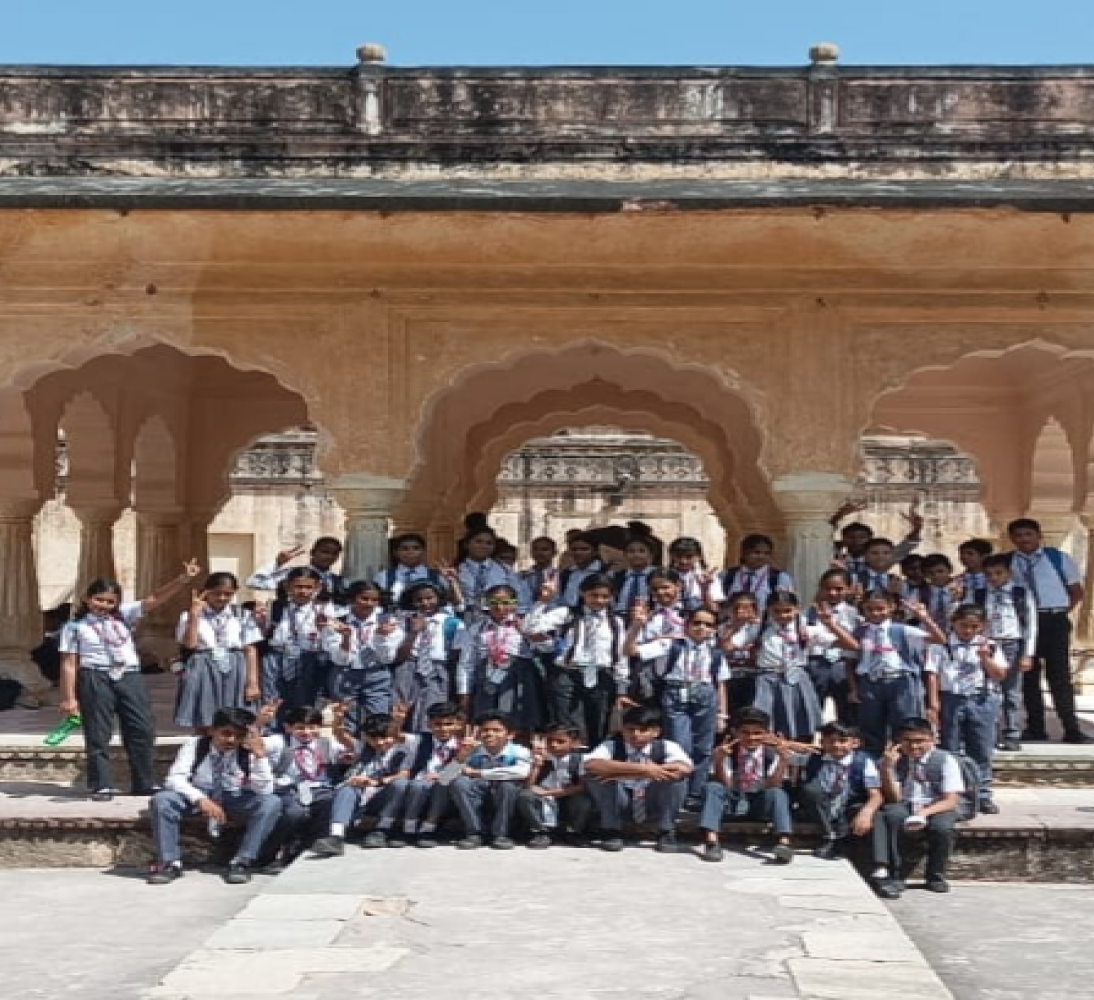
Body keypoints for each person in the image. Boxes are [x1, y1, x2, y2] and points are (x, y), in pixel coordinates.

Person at [58, 560, 201, 802]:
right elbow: (69, 664)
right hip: (96, 676)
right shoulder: (74, 627)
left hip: (128, 675)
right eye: (99, 599)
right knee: (98, 732)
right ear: (86, 598)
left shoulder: (123, 616)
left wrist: (182, 580)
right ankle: (100, 784)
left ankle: (143, 781)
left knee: (141, 728)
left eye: (110, 601)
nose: (104, 605)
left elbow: (154, 598)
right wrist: (69, 698)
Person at [147, 707, 281, 885]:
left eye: (238, 735)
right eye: (225, 733)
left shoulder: (248, 750)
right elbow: (174, 778)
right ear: (212, 731)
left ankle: (242, 861)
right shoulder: (195, 745)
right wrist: (200, 799)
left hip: (235, 796)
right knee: (162, 800)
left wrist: (259, 757)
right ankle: (170, 862)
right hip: (200, 793)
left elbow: (264, 790)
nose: (231, 740)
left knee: (271, 802)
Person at [625, 605, 728, 808]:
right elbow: (631, 650)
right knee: (679, 744)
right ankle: (676, 789)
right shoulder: (670, 645)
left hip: (705, 695)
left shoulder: (715, 653)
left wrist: (722, 713)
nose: (702, 628)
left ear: (714, 629)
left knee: (703, 747)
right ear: (687, 624)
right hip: (676, 692)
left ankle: (695, 794)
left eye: (708, 625)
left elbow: (720, 683)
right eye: (696, 623)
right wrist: (636, 627)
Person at [1006, 518, 1090, 744]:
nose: (1024, 539)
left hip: (1053, 620)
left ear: (1038, 535)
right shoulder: (1008, 562)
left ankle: (1071, 728)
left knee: (1059, 677)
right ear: (1012, 539)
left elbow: (1076, 591)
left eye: (1028, 534)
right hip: (1023, 623)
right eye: (1019, 535)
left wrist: (1059, 612)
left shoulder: (1057, 558)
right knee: (1028, 678)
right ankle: (1035, 727)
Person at [524, 573, 628, 747]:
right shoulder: (567, 614)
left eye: (605, 597)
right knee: (565, 720)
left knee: (598, 720)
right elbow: (529, 628)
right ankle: (567, 759)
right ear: (582, 593)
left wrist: (621, 686)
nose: (599, 601)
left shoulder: (615, 622)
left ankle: (594, 758)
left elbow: (620, 654)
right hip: (567, 673)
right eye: (594, 595)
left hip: (600, 674)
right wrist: (543, 601)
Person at [924, 605, 1007, 815]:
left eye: (974, 627)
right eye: (963, 625)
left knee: (981, 749)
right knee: (950, 748)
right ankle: (954, 794)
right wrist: (934, 703)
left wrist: (985, 658)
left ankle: (983, 795)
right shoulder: (941, 645)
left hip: (981, 699)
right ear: (954, 622)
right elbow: (932, 675)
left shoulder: (991, 646)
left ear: (982, 626)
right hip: (951, 698)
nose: (968, 631)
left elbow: (999, 675)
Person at [750, 591, 858, 742]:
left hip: (797, 680)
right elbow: (727, 646)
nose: (782, 615)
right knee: (768, 724)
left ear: (797, 609)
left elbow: (852, 645)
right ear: (768, 610)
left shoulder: (805, 630)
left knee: (802, 724)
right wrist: (738, 625)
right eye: (776, 611)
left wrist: (830, 624)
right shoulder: (759, 630)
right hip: (768, 681)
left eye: (787, 610)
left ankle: (801, 761)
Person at [584, 705, 693, 853]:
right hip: (621, 802)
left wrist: (619, 772)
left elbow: (684, 768)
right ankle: (611, 830)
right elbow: (591, 765)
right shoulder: (611, 746)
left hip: (653, 802)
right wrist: (644, 770)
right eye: (630, 729)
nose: (635, 735)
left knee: (676, 778)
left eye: (642, 730)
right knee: (596, 776)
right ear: (622, 730)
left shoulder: (667, 746)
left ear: (655, 732)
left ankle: (666, 831)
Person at [876, 717, 965, 898]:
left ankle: (936, 875)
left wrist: (923, 814)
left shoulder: (945, 760)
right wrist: (887, 769)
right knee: (892, 815)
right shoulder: (894, 760)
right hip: (907, 804)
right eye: (907, 741)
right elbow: (895, 797)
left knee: (942, 828)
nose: (914, 747)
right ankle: (896, 874)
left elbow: (951, 800)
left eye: (920, 741)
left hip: (937, 805)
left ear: (931, 740)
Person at [850, 591, 944, 757]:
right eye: (869, 609)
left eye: (880, 608)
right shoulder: (859, 632)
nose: (875, 613)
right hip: (871, 682)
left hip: (900, 681)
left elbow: (939, 638)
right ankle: (874, 766)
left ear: (891, 607)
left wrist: (924, 618)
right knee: (870, 726)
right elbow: (850, 661)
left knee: (904, 725)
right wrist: (854, 687)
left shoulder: (903, 630)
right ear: (863, 610)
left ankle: (903, 765)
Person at [697, 707, 795, 864]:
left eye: (757, 733)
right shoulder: (727, 750)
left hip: (759, 802)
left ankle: (784, 843)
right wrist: (719, 761)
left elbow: (773, 785)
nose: (751, 738)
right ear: (736, 732)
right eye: (746, 732)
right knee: (712, 788)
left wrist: (783, 761)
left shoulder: (772, 753)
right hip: (733, 800)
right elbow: (726, 784)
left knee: (778, 794)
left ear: (766, 733)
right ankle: (711, 842)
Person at [310, 713, 417, 855]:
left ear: (395, 736)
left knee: (400, 784)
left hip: (382, 797)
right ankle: (336, 837)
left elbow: (404, 774)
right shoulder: (363, 748)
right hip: (359, 796)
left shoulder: (403, 751)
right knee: (347, 788)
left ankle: (382, 829)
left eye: (385, 738)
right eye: (374, 739)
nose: (379, 743)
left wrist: (373, 782)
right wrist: (338, 718)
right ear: (366, 737)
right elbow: (341, 736)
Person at [265, 704, 357, 862]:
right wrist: (260, 723)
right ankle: (268, 852)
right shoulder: (279, 741)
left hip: (319, 789)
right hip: (289, 789)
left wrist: (346, 752)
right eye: (300, 728)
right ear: (288, 728)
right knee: (294, 813)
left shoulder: (325, 743)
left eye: (312, 727)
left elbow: (350, 752)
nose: (307, 732)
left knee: (330, 803)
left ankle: (311, 846)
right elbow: (255, 745)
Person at [174, 572, 263, 731]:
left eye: (228, 594)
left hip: (235, 666)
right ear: (206, 591)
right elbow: (190, 645)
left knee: (237, 719)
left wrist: (252, 682)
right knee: (205, 717)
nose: (222, 598)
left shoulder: (242, 615)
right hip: (203, 665)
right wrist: (194, 616)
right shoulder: (188, 615)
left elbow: (250, 649)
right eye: (217, 593)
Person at [457, 584, 544, 735]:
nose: (499, 607)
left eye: (505, 603)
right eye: (494, 602)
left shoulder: (525, 624)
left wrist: (527, 632)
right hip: (487, 676)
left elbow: (545, 648)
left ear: (515, 604)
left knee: (518, 723)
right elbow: (466, 662)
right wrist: (464, 692)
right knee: (486, 722)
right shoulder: (477, 628)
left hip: (518, 676)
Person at [796, 721, 885, 861]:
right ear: (822, 742)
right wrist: (788, 746)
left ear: (855, 743)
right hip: (822, 808)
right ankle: (828, 836)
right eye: (830, 741)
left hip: (848, 806)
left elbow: (876, 795)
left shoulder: (863, 761)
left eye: (842, 741)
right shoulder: (814, 758)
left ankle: (845, 844)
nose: (836, 745)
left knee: (863, 810)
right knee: (810, 790)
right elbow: (787, 755)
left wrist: (866, 813)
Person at [975, 554, 1037, 752]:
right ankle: (990, 733)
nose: (993, 577)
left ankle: (1012, 734)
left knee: (1012, 692)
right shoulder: (980, 594)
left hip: (1012, 643)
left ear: (1009, 573)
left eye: (998, 573)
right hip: (989, 644)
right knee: (988, 690)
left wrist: (1028, 653)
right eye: (989, 574)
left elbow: (1031, 625)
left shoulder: (1021, 593)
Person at [324, 581, 401, 734]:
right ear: (352, 598)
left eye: (374, 600)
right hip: (345, 673)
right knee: (347, 721)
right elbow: (339, 660)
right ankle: (351, 753)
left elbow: (387, 658)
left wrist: (380, 637)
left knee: (379, 720)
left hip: (376, 673)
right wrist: (345, 639)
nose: (369, 603)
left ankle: (375, 755)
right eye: (364, 598)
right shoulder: (337, 621)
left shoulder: (388, 622)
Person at [449, 711, 533, 850]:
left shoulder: (519, 751)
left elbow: (522, 772)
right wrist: (462, 754)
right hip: (479, 796)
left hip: (506, 798)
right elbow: (446, 777)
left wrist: (479, 773)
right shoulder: (473, 750)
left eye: (496, 730)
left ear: (510, 735)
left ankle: (500, 834)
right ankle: (474, 832)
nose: (489, 734)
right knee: (459, 783)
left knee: (508, 786)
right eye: (485, 730)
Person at [257, 567, 337, 712]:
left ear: (317, 588)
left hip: (308, 659)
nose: (303, 591)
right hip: (277, 658)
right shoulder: (275, 606)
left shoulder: (323, 609)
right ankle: (273, 732)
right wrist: (261, 623)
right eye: (298, 586)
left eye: (308, 587)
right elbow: (264, 634)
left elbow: (329, 642)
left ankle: (298, 732)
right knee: (272, 701)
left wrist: (323, 629)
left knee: (303, 705)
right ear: (288, 586)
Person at [392, 581, 466, 733]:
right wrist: (413, 632)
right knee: (401, 712)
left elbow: (459, 654)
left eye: (430, 598)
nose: (425, 603)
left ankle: (427, 747)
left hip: (438, 670)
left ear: (439, 598)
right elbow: (398, 656)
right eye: (419, 600)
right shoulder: (402, 621)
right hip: (408, 668)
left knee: (432, 713)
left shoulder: (453, 623)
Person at [399, 701, 467, 847]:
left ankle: (428, 829)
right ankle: (408, 828)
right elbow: (395, 736)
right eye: (438, 724)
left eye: (449, 724)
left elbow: (460, 773)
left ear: (458, 724)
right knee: (418, 785)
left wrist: (443, 774)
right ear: (429, 724)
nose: (443, 729)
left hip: (444, 793)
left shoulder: (464, 746)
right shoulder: (420, 740)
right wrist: (399, 720)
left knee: (443, 783)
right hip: (418, 788)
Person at [518, 723, 593, 848]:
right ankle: (541, 832)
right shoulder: (542, 757)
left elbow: (581, 786)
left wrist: (549, 793)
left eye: (560, 741)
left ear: (574, 743)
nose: (553, 745)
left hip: (567, 795)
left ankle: (574, 832)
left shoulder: (580, 759)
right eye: (550, 741)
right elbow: (529, 785)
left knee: (583, 801)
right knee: (525, 796)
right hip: (544, 796)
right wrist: (537, 766)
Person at [805, 569, 861, 725]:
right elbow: (808, 638)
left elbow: (856, 643)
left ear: (849, 589)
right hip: (816, 663)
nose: (833, 593)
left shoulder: (855, 614)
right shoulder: (809, 613)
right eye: (827, 588)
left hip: (844, 665)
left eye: (839, 589)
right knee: (813, 709)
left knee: (846, 711)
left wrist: (825, 639)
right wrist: (842, 639)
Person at [456, 516, 530, 619]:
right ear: (467, 544)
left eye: (489, 543)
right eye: (478, 541)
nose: (483, 546)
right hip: (467, 621)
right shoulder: (456, 570)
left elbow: (519, 599)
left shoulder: (504, 569)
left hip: (501, 622)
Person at [829, 501, 923, 576]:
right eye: (850, 537)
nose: (856, 541)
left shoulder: (878, 558)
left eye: (862, 537)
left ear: (870, 538)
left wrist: (917, 529)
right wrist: (838, 516)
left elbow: (904, 548)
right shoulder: (836, 554)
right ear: (843, 538)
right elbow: (822, 537)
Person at [246, 537, 346, 604]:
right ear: (312, 552)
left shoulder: (339, 582)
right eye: (325, 552)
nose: (329, 557)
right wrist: (277, 563)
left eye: (334, 553)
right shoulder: (292, 574)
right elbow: (253, 582)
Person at [720, 534, 795, 610]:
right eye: (756, 552)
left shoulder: (780, 578)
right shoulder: (726, 576)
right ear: (744, 553)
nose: (761, 556)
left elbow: (787, 605)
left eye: (766, 553)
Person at [374, 533, 450, 607]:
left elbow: (450, 600)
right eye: (404, 549)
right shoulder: (383, 576)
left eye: (416, 548)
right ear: (396, 552)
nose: (410, 552)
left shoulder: (437, 576)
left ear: (423, 551)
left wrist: (452, 581)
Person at [720, 592, 762, 710]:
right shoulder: (722, 627)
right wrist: (733, 627)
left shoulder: (761, 628)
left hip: (753, 675)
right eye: (736, 608)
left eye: (745, 608)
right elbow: (725, 647)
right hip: (730, 674)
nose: (740, 612)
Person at [667, 536, 726, 612]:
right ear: (672, 556)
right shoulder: (665, 576)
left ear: (699, 556)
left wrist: (704, 589)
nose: (683, 561)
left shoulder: (708, 577)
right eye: (678, 556)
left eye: (689, 557)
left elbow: (715, 609)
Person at [611, 532, 660, 617]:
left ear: (650, 554)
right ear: (624, 555)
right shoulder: (617, 576)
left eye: (641, 551)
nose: (636, 555)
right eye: (631, 551)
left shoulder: (658, 575)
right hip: (620, 617)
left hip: (649, 617)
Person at [554, 531, 606, 607]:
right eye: (574, 549)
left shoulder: (605, 572)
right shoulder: (567, 573)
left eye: (584, 549)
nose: (578, 552)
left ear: (595, 552)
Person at [921, 554, 959, 630]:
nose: (936, 576)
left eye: (940, 571)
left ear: (950, 569)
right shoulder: (920, 593)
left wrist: (956, 600)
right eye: (930, 573)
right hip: (929, 635)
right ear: (925, 574)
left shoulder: (961, 590)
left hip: (957, 635)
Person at [519, 536, 559, 605]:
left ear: (554, 552)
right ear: (531, 552)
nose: (539, 553)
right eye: (535, 549)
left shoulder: (560, 576)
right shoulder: (521, 576)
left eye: (545, 549)